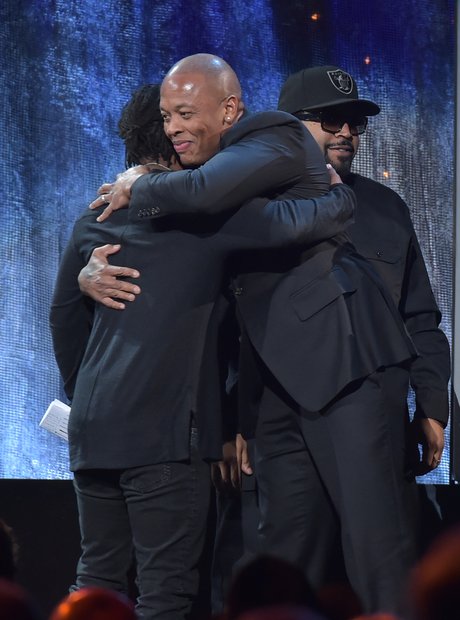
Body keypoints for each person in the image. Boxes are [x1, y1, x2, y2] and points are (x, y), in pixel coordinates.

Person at [83, 54, 431, 614]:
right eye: (167, 116)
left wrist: (141, 182)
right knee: (282, 559)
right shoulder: (219, 180)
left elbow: (206, 200)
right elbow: (206, 249)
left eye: (185, 113)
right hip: (275, 382)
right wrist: (86, 273)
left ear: (230, 109)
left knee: (375, 550)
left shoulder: (272, 134)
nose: (172, 127)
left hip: (344, 360)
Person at [50, 80, 355, 620]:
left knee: (93, 583)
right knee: (164, 597)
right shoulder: (203, 220)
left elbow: (64, 319)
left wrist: (89, 393)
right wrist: (338, 196)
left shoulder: (93, 218)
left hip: (94, 430)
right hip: (164, 436)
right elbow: (294, 224)